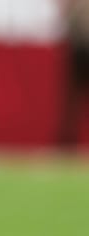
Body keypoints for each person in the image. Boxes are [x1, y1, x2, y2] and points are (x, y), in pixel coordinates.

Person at [59, 0, 89, 151]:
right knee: (72, 104)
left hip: (81, 50)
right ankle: (69, 144)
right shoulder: (76, 8)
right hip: (78, 53)